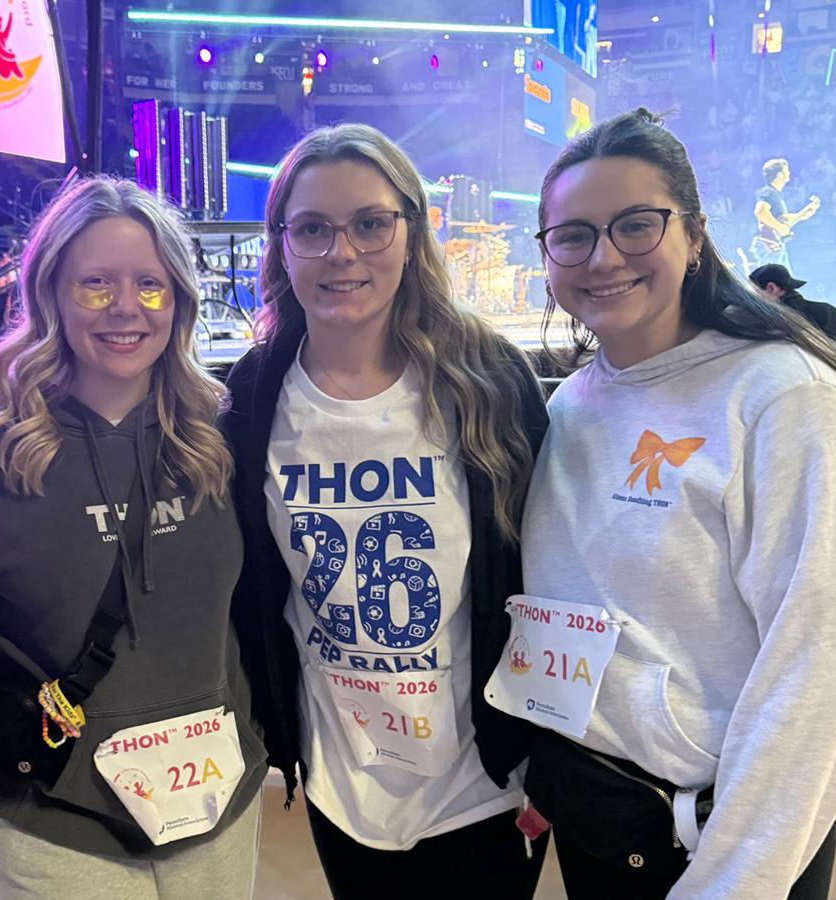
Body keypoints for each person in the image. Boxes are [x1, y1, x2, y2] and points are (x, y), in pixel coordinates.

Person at [516, 108, 836, 899]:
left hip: (718, 840)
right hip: (604, 812)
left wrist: (735, 879)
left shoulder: (782, 399)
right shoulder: (571, 406)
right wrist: (544, 762)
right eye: (574, 235)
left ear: (693, 237)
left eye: (636, 226)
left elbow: (817, 672)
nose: (603, 258)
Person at [222, 123, 549, 899]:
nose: (343, 252)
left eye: (370, 223)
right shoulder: (253, 394)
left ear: (411, 230)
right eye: (313, 229)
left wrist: (551, 752)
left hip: (484, 785)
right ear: (282, 245)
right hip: (345, 784)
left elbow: (549, 571)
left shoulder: (488, 378)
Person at [0, 176, 266, 900]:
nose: (126, 307)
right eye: (96, 284)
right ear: (50, 291)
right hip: (60, 821)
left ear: (179, 298)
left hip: (215, 805)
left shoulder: (217, 434)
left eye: (151, 284)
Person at [751, 157, 819, 268]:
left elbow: (783, 221)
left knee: (782, 282)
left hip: (775, 245)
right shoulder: (769, 192)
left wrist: (806, 212)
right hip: (769, 245)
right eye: (786, 170)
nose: (789, 173)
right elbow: (760, 212)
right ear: (779, 175)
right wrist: (780, 228)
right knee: (773, 282)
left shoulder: (775, 194)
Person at [748, 263, 836, 341]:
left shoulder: (771, 323)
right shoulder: (827, 311)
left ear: (771, 288)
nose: (752, 299)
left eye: (754, 292)